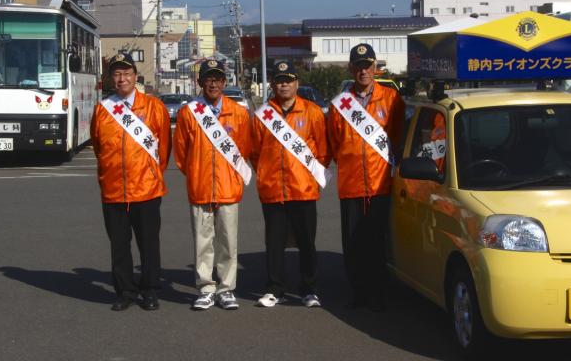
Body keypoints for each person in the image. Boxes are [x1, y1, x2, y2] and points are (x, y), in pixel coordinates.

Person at [90, 52, 171, 311]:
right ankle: (124, 290)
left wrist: (150, 173)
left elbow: (164, 150)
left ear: (135, 76)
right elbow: (98, 146)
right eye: (116, 73)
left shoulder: (154, 107)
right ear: (111, 78)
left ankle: (150, 290)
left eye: (126, 73)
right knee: (119, 245)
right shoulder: (102, 110)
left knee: (149, 244)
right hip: (114, 189)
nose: (121, 78)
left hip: (146, 188)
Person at [327, 43, 405, 311]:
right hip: (350, 182)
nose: (363, 71)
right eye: (358, 66)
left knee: (377, 238)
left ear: (375, 68)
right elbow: (334, 142)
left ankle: (379, 290)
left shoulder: (391, 98)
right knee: (353, 241)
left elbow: (397, 137)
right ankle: (359, 291)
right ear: (351, 69)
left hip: (380, 181)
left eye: (367, 66)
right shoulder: (340, 105)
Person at [251, 61, 330, 308]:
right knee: (274, 242)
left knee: (307, 241)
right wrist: (266, 173)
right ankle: (275, 288)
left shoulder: (312, 112)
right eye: (279, 80)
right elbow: (254, 151)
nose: (284, 84)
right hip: (273, 189)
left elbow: (323, 152)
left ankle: (310, 288)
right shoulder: (263, 115)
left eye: (289, 80)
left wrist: (311, 178)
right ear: (272, 84)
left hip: (303, 189)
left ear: (297, 83)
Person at [174, 59, 252, 311]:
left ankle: (226, 288)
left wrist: (233, 178)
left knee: (228, 242)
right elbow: (182, 153)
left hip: (229, 188)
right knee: (203, 241)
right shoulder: (189, 112)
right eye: (208, 78)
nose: (213, 83)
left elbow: (244, 150)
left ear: (225, 82)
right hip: (200, 186)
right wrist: (197, 173)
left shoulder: (238, 112)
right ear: (200, 82)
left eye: (218, 78)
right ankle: (206, 287)